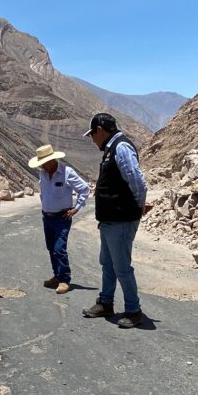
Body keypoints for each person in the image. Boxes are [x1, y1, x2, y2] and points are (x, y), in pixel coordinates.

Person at [81, 113, 152, 328]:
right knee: (108, 264)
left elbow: (137, 181)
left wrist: (137, 207)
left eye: (92, 135)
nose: (93, 140)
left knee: (121, 267)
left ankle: (133, 310)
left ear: (100, 131)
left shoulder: (120, 148)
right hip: (110, 220)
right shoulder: (111, 149)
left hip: (121, 220)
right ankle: (105, 303)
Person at [28, 144, 90, 294]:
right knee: (51, 248)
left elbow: (84, 189)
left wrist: (76, 208)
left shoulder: (66, 173)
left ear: (51, 160)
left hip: (62, 218)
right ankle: (57, 276)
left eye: (43, 162)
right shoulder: (43, 173)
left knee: (59, 249)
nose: (41, 165)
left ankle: (64, 280)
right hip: (47, 217)